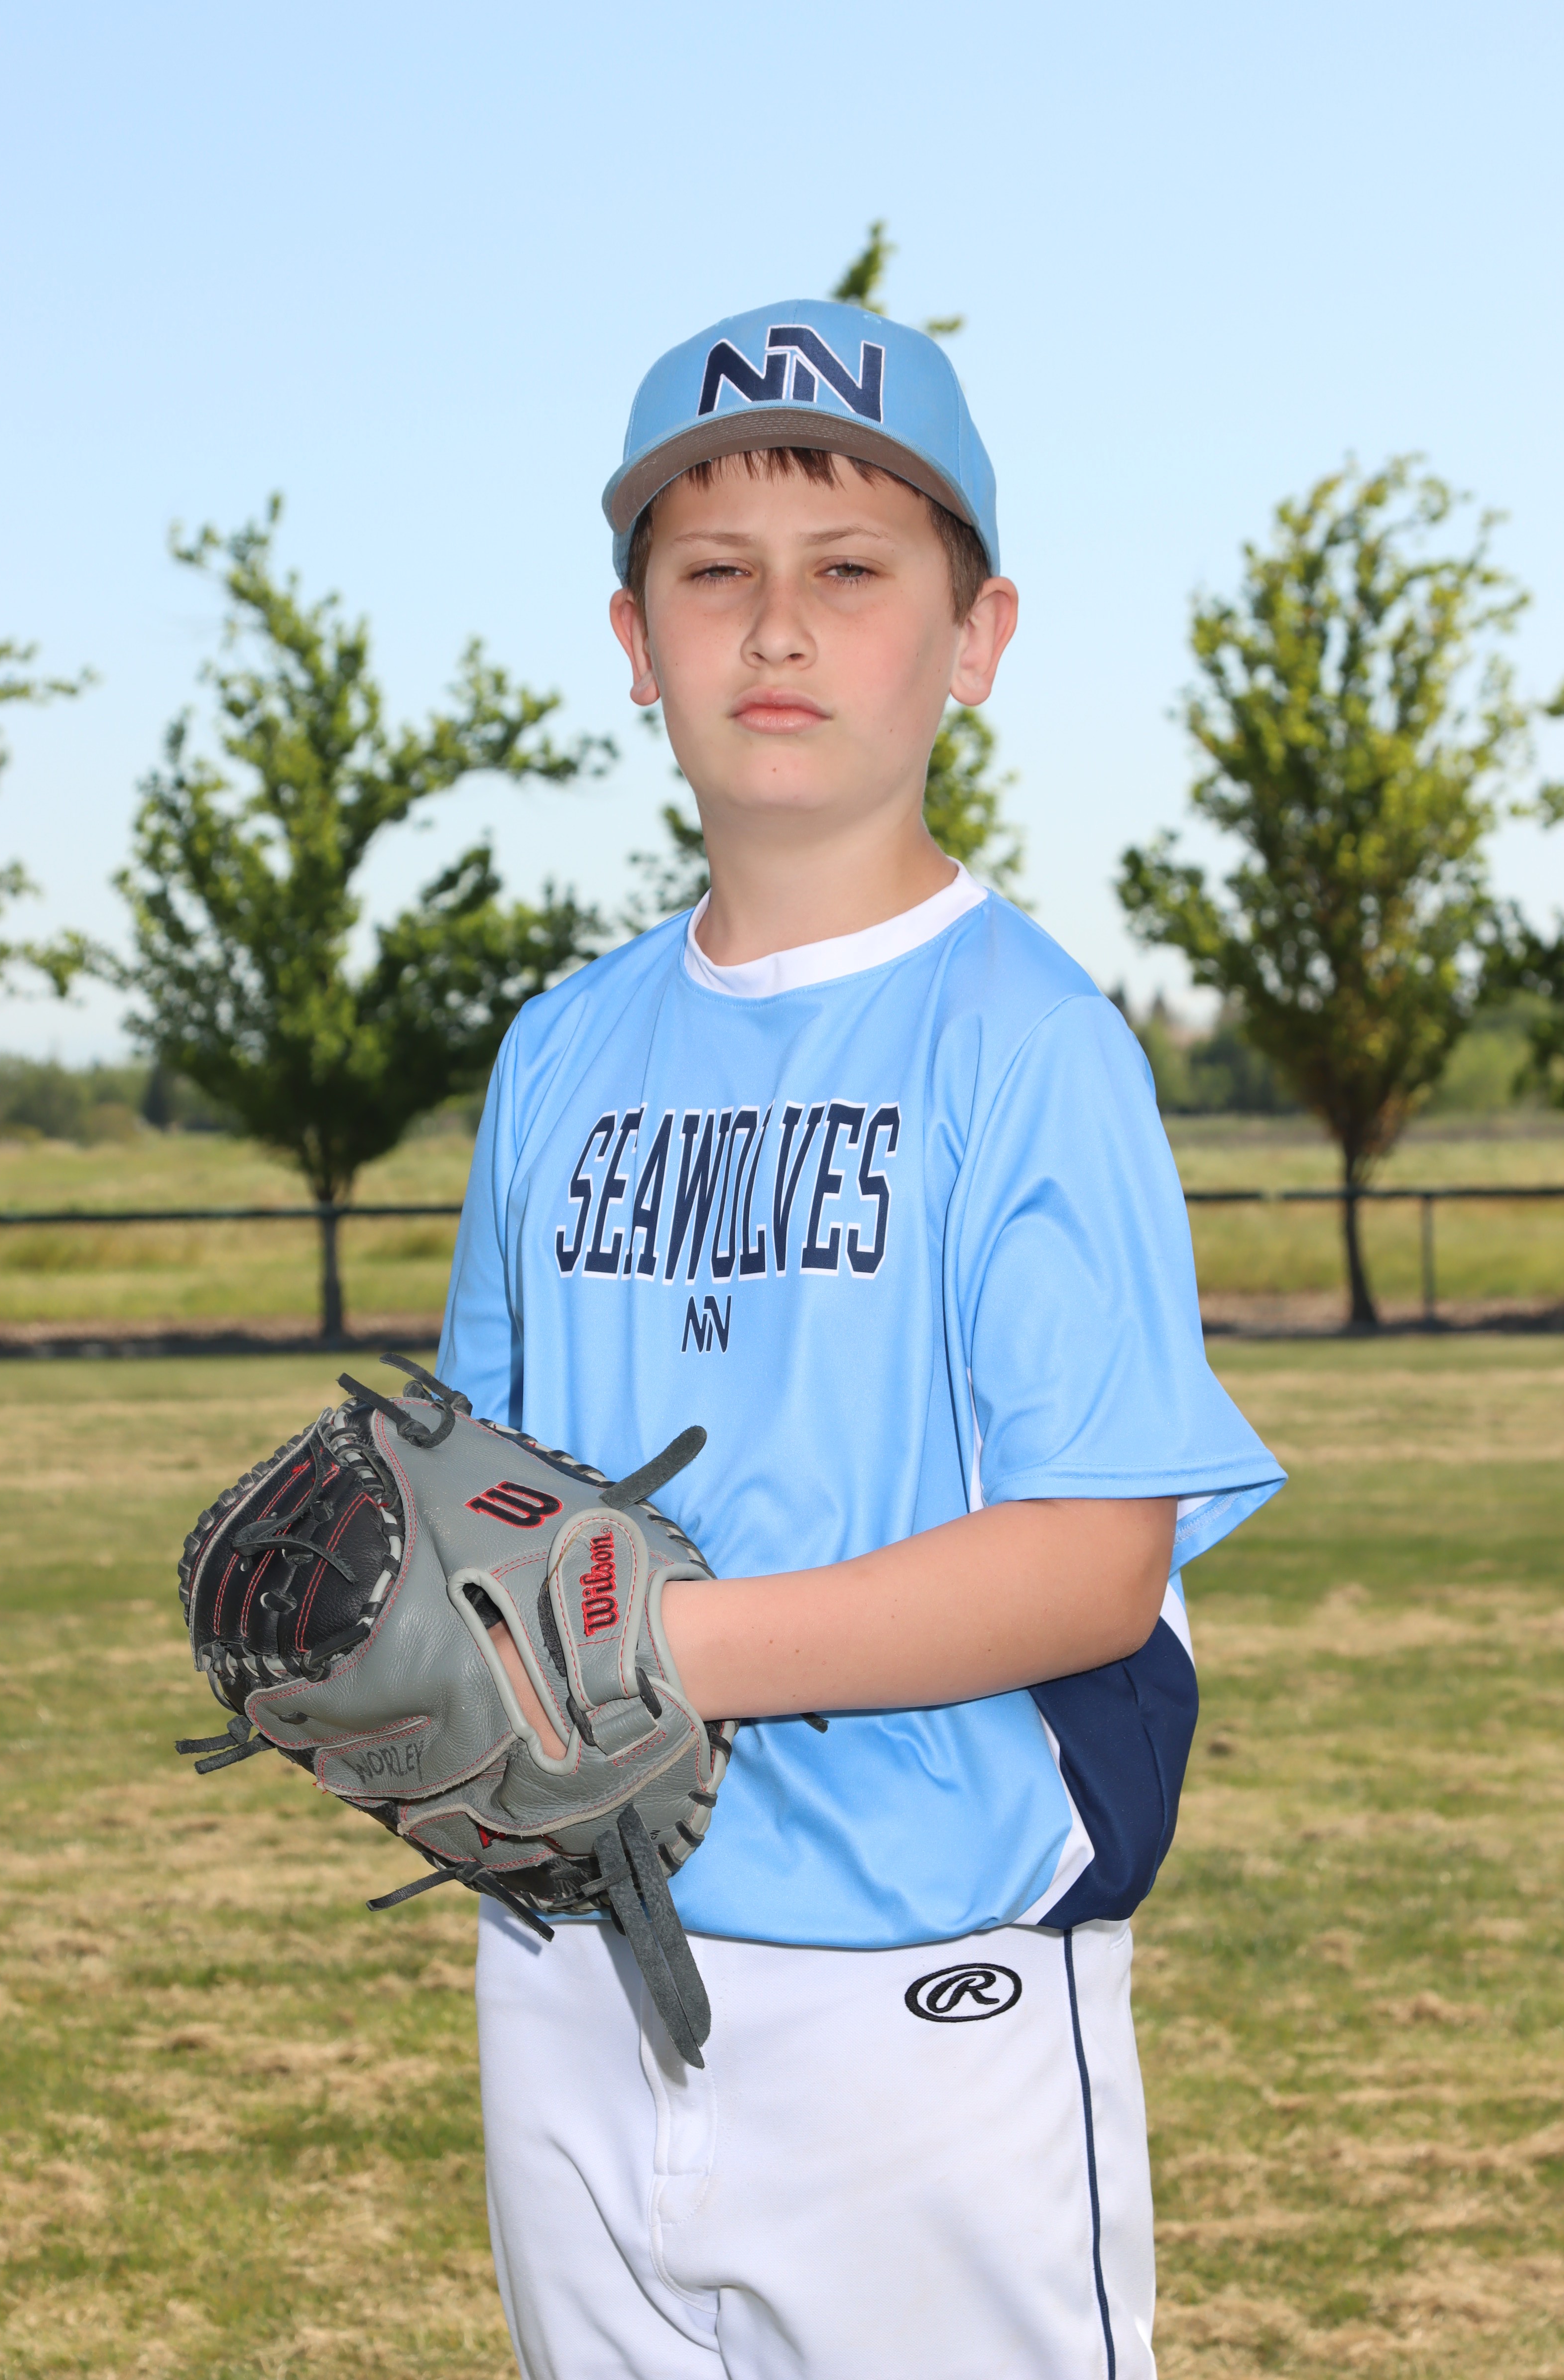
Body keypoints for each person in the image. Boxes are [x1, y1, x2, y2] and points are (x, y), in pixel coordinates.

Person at [438, 298, 1284, 2380]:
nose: (777, 627)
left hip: (920, 1991)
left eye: (850, 571)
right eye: (712, 572)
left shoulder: (1027, 1041)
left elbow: (1093, 1562)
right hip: (573, 1957)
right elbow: (479, 1494)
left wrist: (652, 1651)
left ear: (976, 638)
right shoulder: (560, 1050)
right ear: (634, 641)